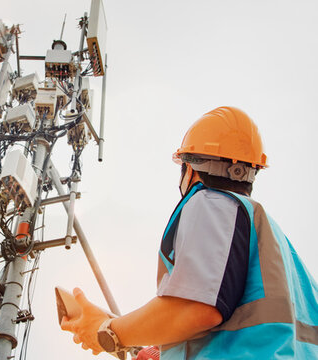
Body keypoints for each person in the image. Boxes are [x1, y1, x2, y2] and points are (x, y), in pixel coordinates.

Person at [60, 106, 318, 359]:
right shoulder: (280, 247)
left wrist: (107, 332)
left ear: (191, 168)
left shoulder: (211, 202)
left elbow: (196, 307)